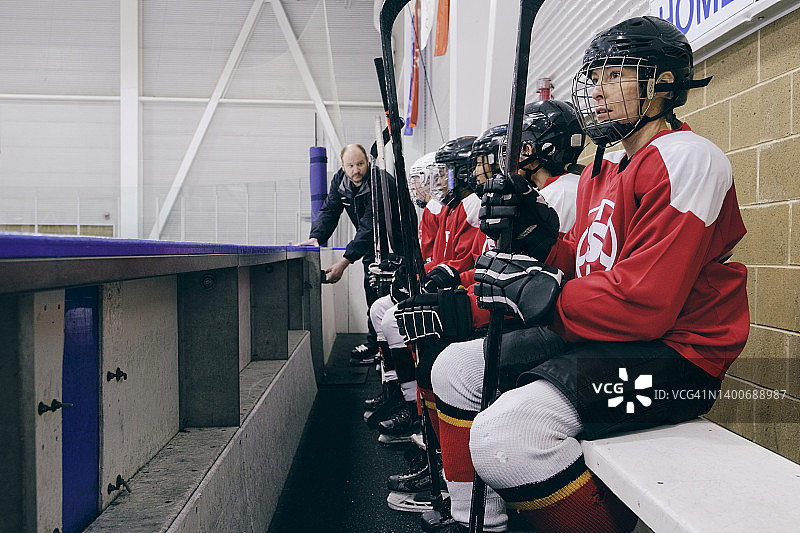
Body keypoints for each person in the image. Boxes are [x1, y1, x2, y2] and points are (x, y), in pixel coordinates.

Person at [424, 17, 749, 533]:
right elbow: (591, 261)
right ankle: (477, 521)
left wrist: (547, 297)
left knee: (509, 437)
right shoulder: (608, 166)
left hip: (676, 361)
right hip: (612, 338)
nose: (597, 91)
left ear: (663, 84)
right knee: (456, 368)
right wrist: (543, 242)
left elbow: (646, 304)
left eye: (614, 75)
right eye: (594, 78)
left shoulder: (688, 159)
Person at [391, 101, 585, 521]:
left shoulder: (564, 192)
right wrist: (451, 287)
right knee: (428, 346)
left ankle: (474, 504)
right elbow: (492, 264)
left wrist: (464, 306)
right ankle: (449, 478)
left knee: (452, 365)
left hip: (548, 321)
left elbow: (548, 274)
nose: (489, 167)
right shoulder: (516, 195)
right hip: (525, 311)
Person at [299, 143, 401, 365]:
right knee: (371, 292)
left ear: (367, 161)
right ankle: (376, 344)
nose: (356, 170)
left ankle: (394, 347)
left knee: (388, 296)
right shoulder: (340, 182)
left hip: (395, 247)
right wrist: (317, 236)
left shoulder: (380, 181)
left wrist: (344, 262)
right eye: (351, 165)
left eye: (360, 164)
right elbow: (330, 210)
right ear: (343, 166)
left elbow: (370, 224)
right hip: (370, 247)